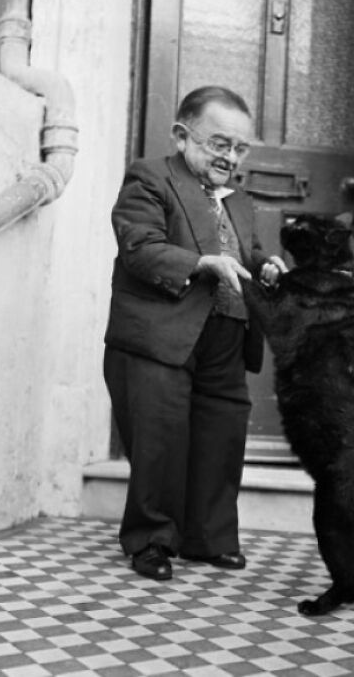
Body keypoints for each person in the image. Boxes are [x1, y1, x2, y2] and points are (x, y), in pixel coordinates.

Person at [103, 86, 287, 581]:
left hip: (225, 334)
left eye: (240, 148)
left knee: (220, 435)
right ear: (182, 136)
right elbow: (139, 247)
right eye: (219, 144)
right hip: (160, 336)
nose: (230, 157)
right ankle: (152, 541)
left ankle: (209, 539)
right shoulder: (150, 177)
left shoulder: (241, 202)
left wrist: (265, 266)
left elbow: (245, 252)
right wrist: (201, 263)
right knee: (160, 438)